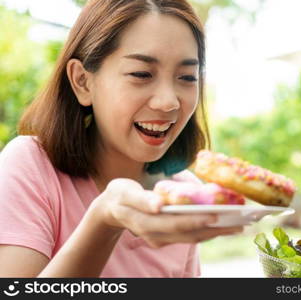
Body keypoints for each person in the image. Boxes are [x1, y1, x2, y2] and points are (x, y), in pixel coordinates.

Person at [0, 0, 243, 278]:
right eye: (141, 74)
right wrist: (104, 219)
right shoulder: (30, 166)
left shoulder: (183, 194)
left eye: (187, 77)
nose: (168, 102)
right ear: (82, 81)